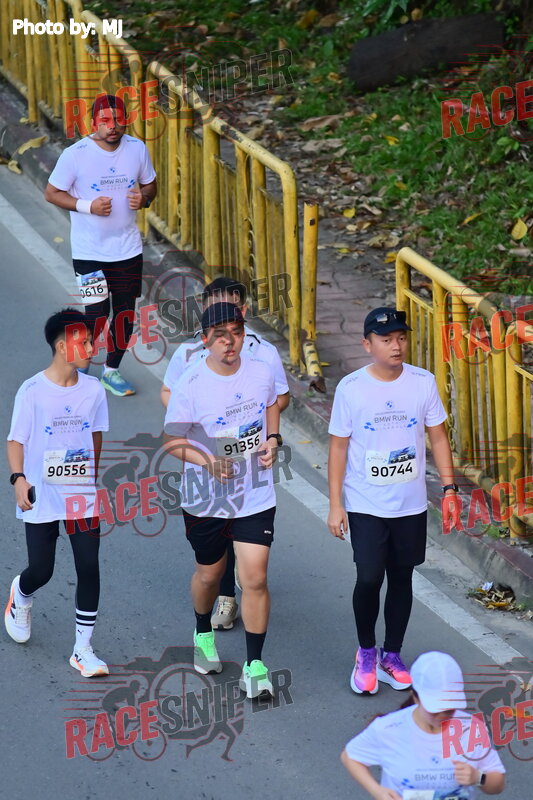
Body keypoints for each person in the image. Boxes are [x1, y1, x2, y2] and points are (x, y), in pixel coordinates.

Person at [327, 308, 461, 694]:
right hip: (366, 503)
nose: (396, 346)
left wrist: (449, 489)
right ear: (367, 344)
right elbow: (338, 448)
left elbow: (438, 437)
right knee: (369, 576)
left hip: (410, 503)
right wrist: (336, 504)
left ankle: (392, 654)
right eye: (386, 340)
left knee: (402, 577)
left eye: (401, 338)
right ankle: (366, 652)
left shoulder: (422, 382)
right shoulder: (351, 388)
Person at [164, 302, 282, 699]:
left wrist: (273, 438)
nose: (229, 341)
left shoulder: (261, 372)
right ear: (205, 341)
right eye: (219, 335)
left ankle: (255, 666)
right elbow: (173, 440)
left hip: (254, 494)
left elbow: (271, 405)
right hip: (205, 498)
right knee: (210, 576)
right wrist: (209, 463)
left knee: (255, 578)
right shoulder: (191, 383)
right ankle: (202, 631)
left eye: (235, 332)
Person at [5, 309, 109, 677]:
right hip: (41, 492)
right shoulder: (32, 391)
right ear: (63, 347)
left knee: (89, 566)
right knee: (42, 570)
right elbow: (16, 440)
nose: (92, 348)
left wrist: (90, 478)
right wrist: (19, 479)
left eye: (92, 341)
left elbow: (96, 435)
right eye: (85, 342)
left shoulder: (94, 390)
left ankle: (83, 649)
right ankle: (21, 594)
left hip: (80, 493)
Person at [44, 93, 157, 397]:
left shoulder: (137, 149)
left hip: (128, 250)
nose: (112, 126)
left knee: (124, 314)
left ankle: (111, 372)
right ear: (93, 123)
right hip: (89, 252)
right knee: (96, 314)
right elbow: (52, 193)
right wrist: (87, 206)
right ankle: (79, 368)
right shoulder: (75, 155)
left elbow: (150, 184)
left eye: (118, 119)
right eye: (105, 120)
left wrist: (144, 198)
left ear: (126, 120)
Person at [341, 651, 506, 798]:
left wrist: (478, 777)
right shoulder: (389, 728)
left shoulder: (471, 729)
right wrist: (377, 790)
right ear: (415, 697)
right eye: (434, 709)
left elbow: (497, 784)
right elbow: (350, 756)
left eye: (449, 709)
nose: (442, 716)